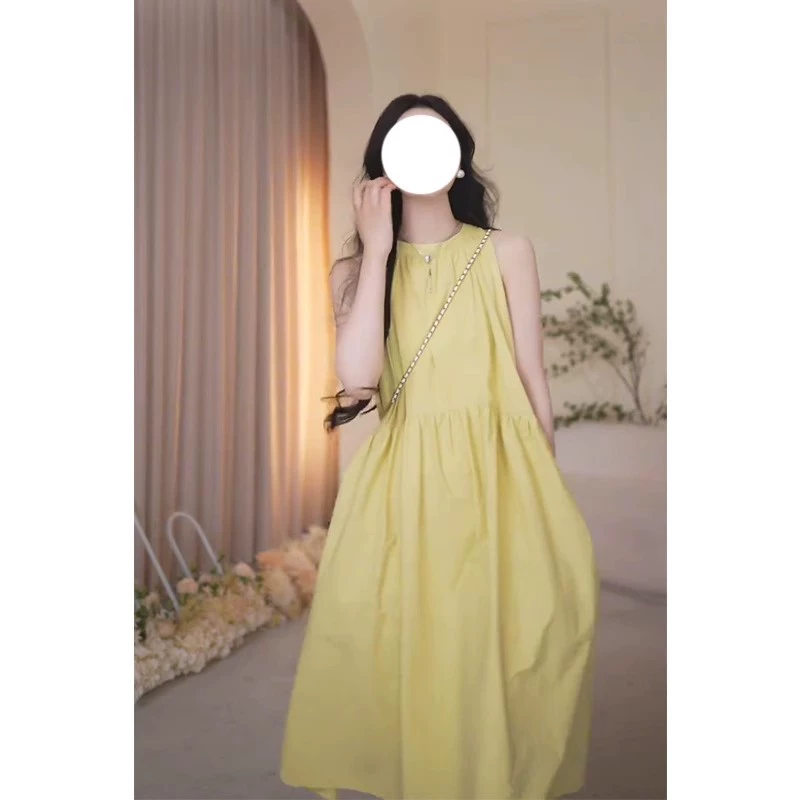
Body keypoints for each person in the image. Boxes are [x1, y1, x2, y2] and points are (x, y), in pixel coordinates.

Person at [280, 94, 598, 800]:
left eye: (435, 141)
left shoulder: (507, 252)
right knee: (407, 651)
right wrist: (378, 250)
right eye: (405, 143)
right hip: (404, 481)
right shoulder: (355, 272)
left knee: (504, 647)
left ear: (457, 161)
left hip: (497, 471)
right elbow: (358, 382)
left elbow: (532, 377)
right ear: (383, 168)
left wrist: (545, 490)